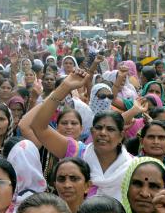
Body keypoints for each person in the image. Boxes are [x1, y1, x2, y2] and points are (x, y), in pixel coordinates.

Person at [22, 70, 133, 200]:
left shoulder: (132, 165)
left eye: (110, 129)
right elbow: (38, 126)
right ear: (91, 132)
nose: (103, 133)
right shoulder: (77, 152)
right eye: (98, 128)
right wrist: (65, 87)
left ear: (121, 136)